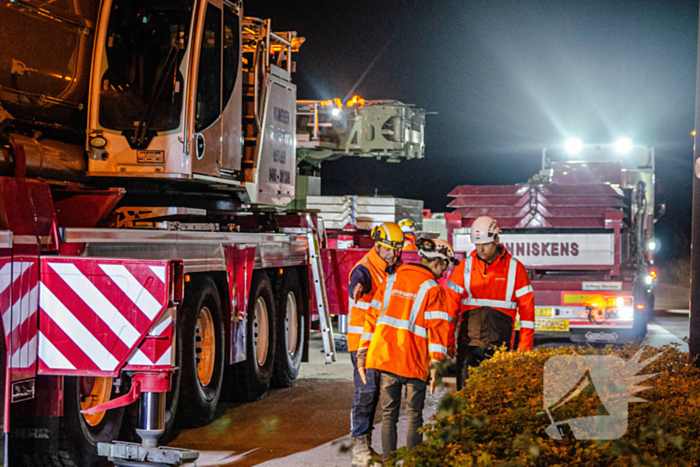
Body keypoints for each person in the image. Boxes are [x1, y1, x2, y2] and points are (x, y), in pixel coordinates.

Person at [357, 238, 458, 461]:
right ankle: (413, 463)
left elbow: (371, 319)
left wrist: (363, 352)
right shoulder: (434, 290)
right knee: (414, 417)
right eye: (445, 266)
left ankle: (389, 463)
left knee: (388, 416)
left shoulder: (391, 280)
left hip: (386, 359)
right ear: (435, 262)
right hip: (414, 362)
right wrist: (436, 367)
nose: (444, 273)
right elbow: (437, 334)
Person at [445, 216, 535, 390]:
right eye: (477, 244)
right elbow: (450, 310)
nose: (480, 248)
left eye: (485, 243)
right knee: (466, 399)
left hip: (500, 348)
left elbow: (527, 315)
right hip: (468, 346)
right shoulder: (464, 267)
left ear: (496, 240)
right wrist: (448, 341)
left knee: (496, 400)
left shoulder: (515, 269)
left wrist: (524, 351)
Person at [348, 222, 404, 467]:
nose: (392, 254)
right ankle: (360, 451)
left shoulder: (394, 269)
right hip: (361, 343)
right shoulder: (366, 268)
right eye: (388, 249)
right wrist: (356, 288)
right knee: (366, 393)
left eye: (396, 249)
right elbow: (358, 281)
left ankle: (367, 448)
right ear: (377, 246)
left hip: (381, 342)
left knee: (377, 396)